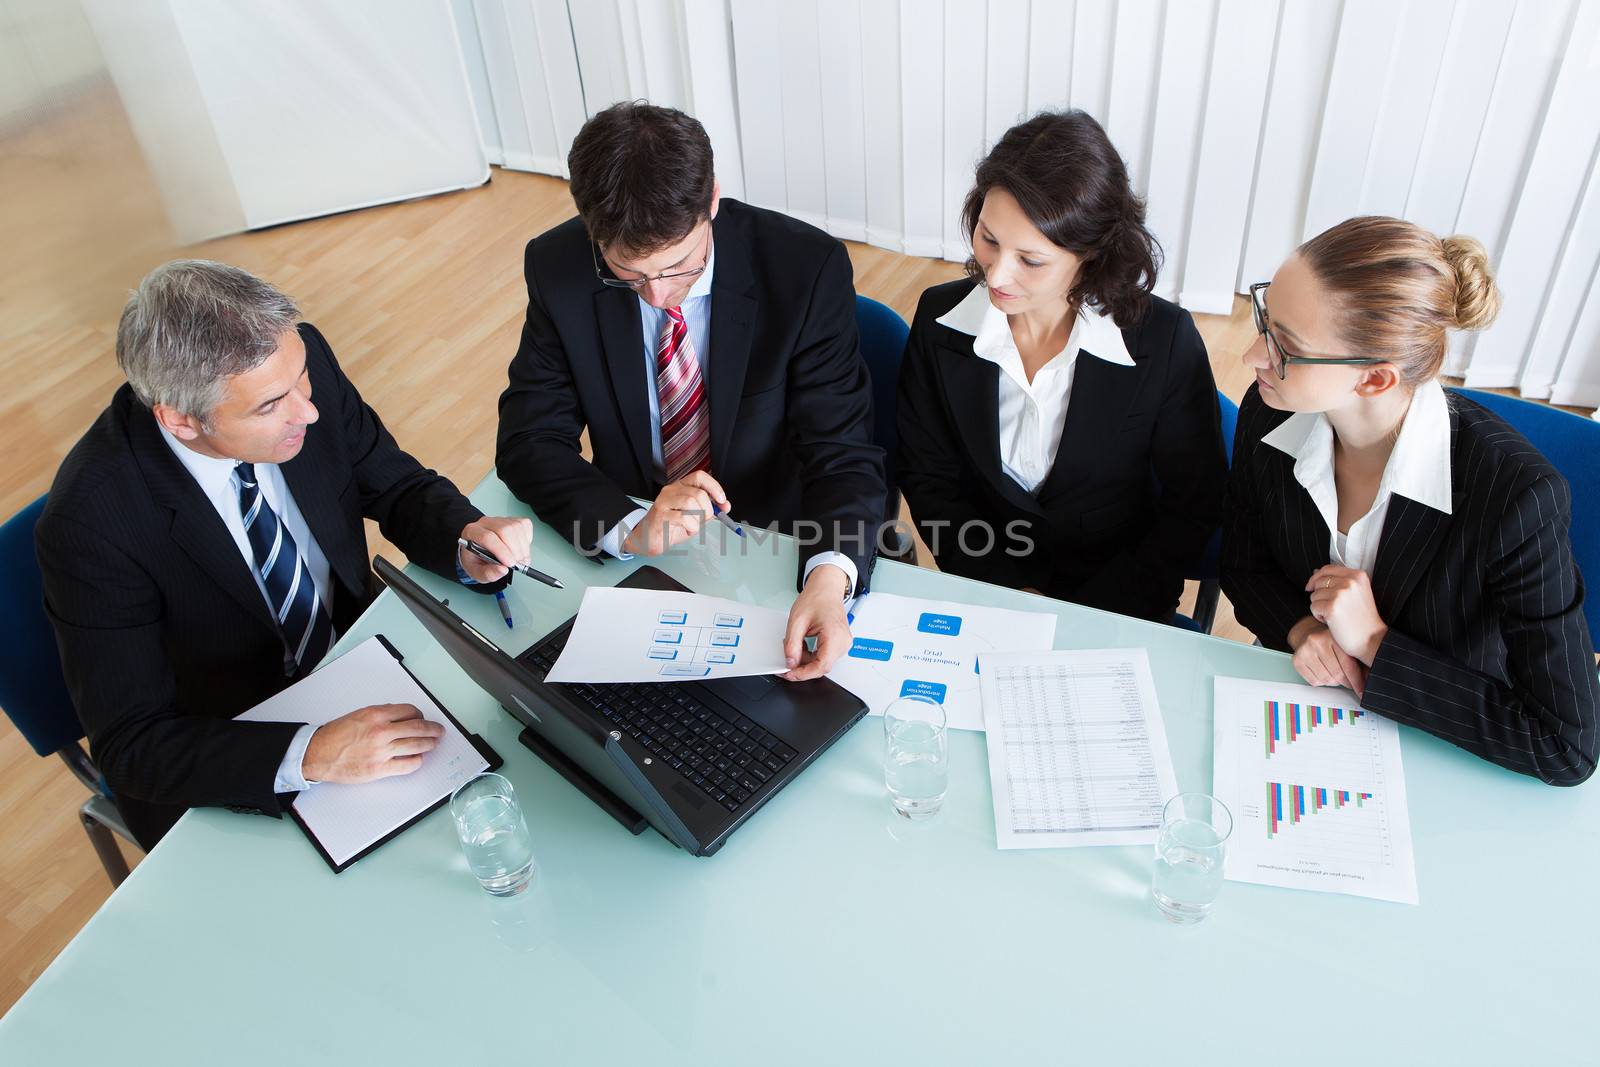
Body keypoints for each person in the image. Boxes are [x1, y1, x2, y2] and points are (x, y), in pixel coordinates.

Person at [36, 260, 538, 847]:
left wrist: (463, 538)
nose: (309, 410)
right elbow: (134, 745)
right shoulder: (91, 524)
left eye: (301, 380)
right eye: (271, 405)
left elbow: (394, 485)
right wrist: (310, 752)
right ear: (180, 421)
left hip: (361, 654)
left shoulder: (297, 366)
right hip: (236, 742)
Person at [495, 102, 887, 680]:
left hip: (776, 545)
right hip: (642, 546)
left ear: (712, 203)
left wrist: (829, 581)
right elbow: (529, 440)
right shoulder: (558, 266)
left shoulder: (805, 267)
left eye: (680, 266)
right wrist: (630, 528)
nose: (658, 296)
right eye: (628, 273)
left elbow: (844, 453)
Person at [1222, 216, 1600, 785]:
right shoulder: (1270, 408)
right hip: (1299, 713)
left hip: (1448, 740)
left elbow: (1566, 746)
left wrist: (1374, 642)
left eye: (1284, 346)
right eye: (1264, 319)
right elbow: (1243, 562)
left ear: (1375, 380)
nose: (1252, 356)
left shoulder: (1517, 499)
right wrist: (1303, 630)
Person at [895, 110, 1227, 622]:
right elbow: (929, 478)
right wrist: (1001, 594)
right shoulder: (939, 320)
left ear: (1091, 255)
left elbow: (1193, 506)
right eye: (988, 238)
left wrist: (1088, 612)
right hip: (986, 591)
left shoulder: (1164, 342)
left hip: (1118, 604)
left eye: (1030, 260)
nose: (997, 273)